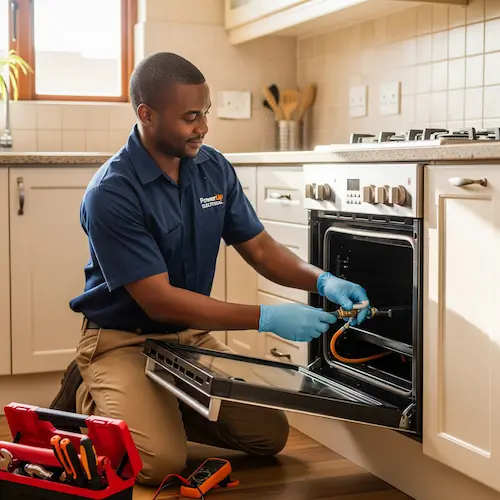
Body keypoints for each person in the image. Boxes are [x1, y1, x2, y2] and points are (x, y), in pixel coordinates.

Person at [50, 52, 370, 486]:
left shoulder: (212, 167)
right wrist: (266, 318)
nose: (203, 126)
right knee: (157, 464)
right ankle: (88, 392)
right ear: (147, 114)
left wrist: (324, 281)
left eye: (205, 113)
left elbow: (259, 248)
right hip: (122, 338)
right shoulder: (112, 192)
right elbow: (159, 301)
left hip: (188, 337)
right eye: (190, 116)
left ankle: (159, 406)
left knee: (268, 437)